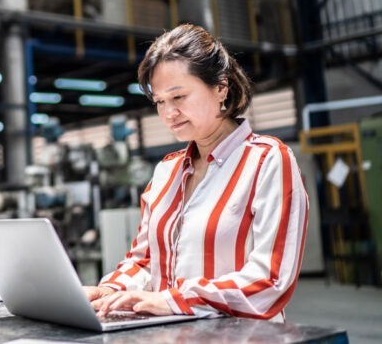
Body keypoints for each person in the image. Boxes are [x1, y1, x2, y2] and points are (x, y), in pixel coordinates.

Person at [83, 24, 308, 322]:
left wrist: (173, 300)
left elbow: (271, 281)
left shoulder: (267, 161)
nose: (168, 114)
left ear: (220, 89)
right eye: (160, 101)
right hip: (171, 335)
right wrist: (109, 290)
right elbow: (147, 261)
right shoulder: (167, 171)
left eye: (179, 97)